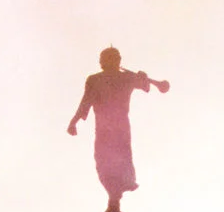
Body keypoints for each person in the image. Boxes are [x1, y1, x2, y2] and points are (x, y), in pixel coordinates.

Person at [68, 47, 168, 198]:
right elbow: (146, 86)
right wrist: (144, 78)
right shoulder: (124, 78)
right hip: (115, 127)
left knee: (108, 159)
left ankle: (116, 194)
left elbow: (85, 103)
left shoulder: (97, 79)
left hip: (108, 128)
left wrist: (73, 122)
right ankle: (116, 194)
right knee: (113, 158)